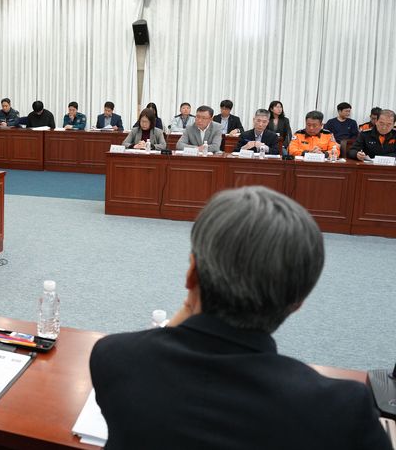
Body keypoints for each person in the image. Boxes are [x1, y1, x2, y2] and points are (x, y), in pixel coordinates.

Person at [89, 186, 390, 450]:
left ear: (191, 273)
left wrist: (190, 300)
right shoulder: (341, 410)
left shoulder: (115, 357)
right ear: (297, 303)